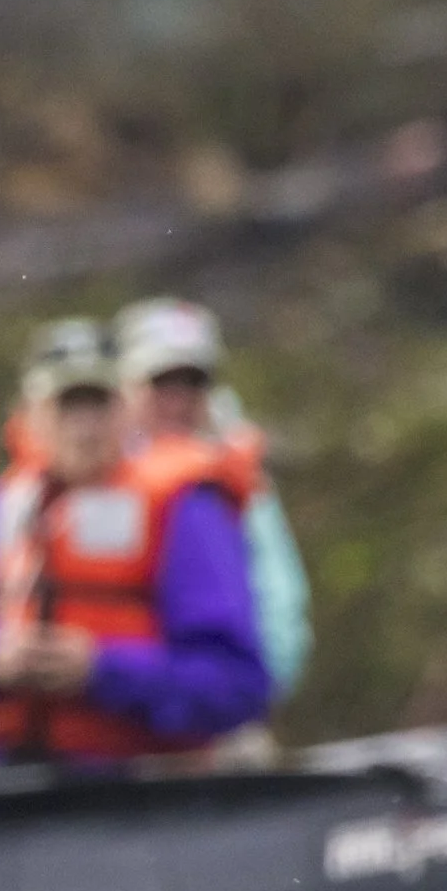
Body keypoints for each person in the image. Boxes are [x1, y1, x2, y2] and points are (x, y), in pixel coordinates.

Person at [0, 319, 270, 763]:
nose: (85, 428)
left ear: (128, 410)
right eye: (67, 407)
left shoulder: (185, 508)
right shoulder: (7, 508)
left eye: (99, 405)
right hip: (12, 783)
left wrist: (100, 671)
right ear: (31, 417)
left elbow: (239, 685)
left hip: (145, 790)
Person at [113, 297, 313, 702]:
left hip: (210, 710)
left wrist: (239, 701)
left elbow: (280, 604)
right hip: (113, 705)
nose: (178, 402)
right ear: (124, 386)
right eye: (160, 384)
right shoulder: (92, 474)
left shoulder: (235, 480)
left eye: (192, 384)